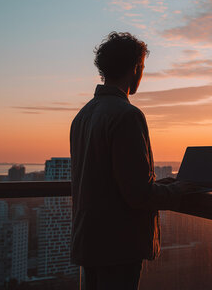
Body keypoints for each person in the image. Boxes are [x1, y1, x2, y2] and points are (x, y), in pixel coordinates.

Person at [70, 31, 196, 289]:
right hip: (117, 246)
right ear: (136, 68)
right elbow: (137, 194)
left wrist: (162, 185)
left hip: (90, 241)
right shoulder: (126, 115)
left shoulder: (83, 116)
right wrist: (175, 192)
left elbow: (108, 180)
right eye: (143, 67)